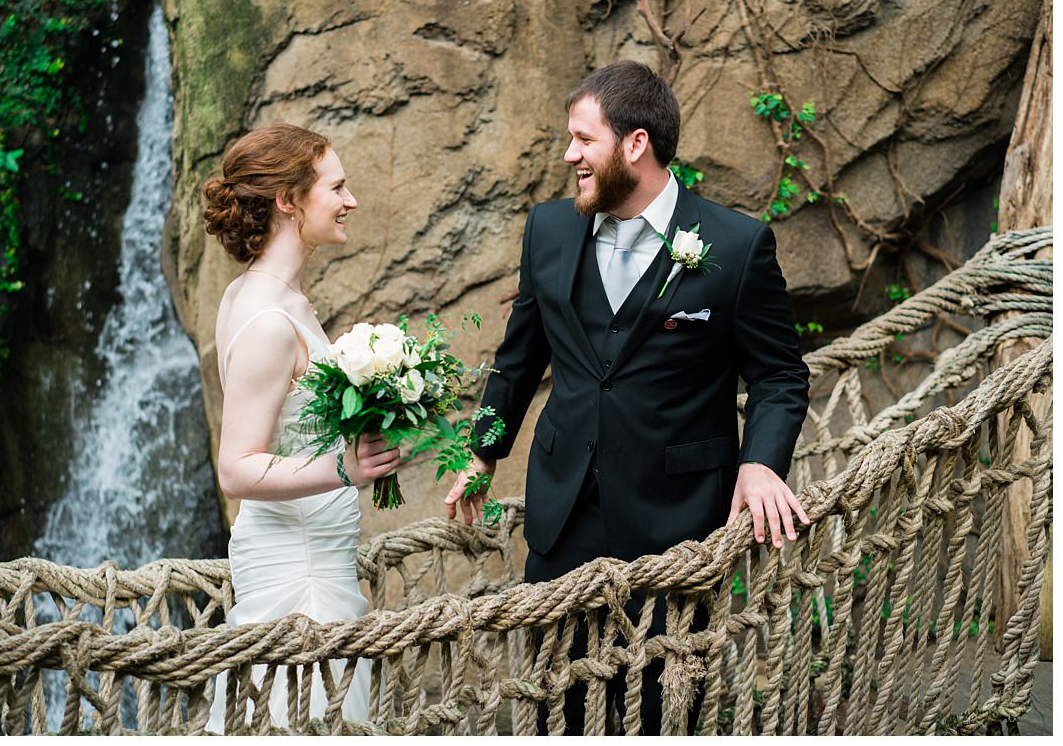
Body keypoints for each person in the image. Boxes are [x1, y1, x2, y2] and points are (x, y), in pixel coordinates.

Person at [445, 60, 811, 734]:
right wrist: (483, 451)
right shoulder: (549, 230)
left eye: (584, 140)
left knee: (658, 712)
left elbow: (781, 375)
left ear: (635, 143)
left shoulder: (736, 245)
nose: (570, 154)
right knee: (558, 707)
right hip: (562, 521)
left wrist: (761, 462)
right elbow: (519, 358)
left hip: (678, 526)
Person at [203, 122, 390, 731]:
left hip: (313, 560)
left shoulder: (260, 296)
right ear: (289, 200)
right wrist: (345, 468)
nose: (350, 200)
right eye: (336, 187)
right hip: (299, 575)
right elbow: (237, 467)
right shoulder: (268, 322)